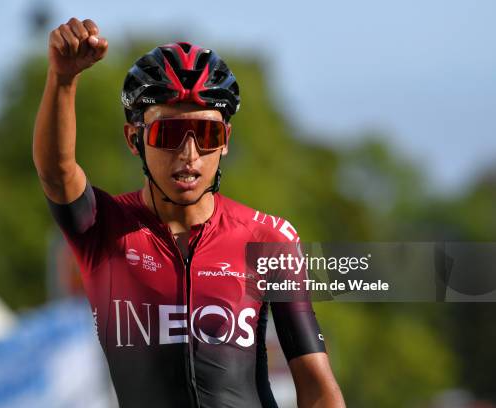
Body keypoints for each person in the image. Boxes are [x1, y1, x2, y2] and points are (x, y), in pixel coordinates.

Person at [33, 17, 345, 408]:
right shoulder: (103, 228)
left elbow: (317, 387)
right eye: (169, 134)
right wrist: (62, 79)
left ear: (226, 140)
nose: (189, 155)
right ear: (135, 139)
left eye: (207, 134)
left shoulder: (268, 239)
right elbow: (56, 172)